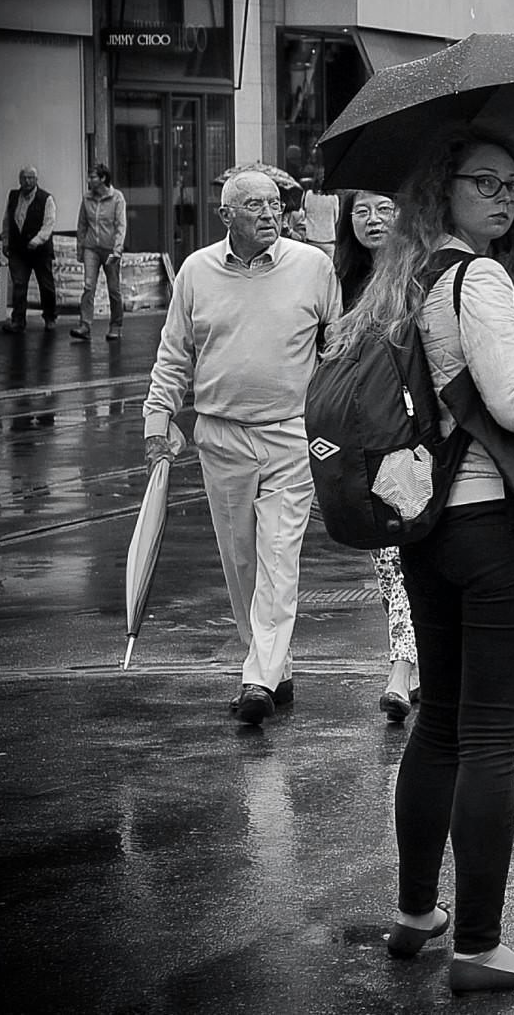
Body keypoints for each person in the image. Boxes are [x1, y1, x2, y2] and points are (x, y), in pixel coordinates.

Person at [324, 124, 514, 994]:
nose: (506, 197)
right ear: (445, 189)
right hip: (494, 532)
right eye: (486, 182)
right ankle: (478, 943)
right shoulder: (475, 279)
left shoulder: (409, 280)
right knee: (487, 736)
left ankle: (416, 913)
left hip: (429, 533)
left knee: (439, 722)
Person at [142, 168, 342, 725]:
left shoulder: (313, 267)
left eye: (276, 204)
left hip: (290, 434)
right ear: (226, 215)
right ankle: (276, 668)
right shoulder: (196, 271)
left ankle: (256, 678)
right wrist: (158, 419)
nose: (270, 213)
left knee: (279, 555)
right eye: (255, 205)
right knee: (241, 562)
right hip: (220, 437)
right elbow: (175, 352)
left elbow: (340, 344)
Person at [334, 189, 422, 721]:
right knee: (390, 559)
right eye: (361, 210)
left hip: (421, 438)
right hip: (369, 438)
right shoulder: (337, 282)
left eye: (383, 208)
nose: (371, 219)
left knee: (418, 557)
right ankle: (401, 668)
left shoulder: (421, 273)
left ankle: (410, 666)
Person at [71, 164, 127, 343]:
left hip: (110, 249)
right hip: (91, 248)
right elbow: (82, 226)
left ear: (103, 178)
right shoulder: (87, 198)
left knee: (113, 288)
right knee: (88, 286)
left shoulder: (116, 198)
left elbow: (120, 226)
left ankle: (116, 325)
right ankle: (85, 325)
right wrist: (80, 248)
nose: (89, 180)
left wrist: (118, 249)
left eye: (92, 177)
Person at [1, 166, 58, 335]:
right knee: (19, 285)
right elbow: (7, 220)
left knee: (45, 284)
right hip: (18, 249)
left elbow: (49, 223)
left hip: (40, 250)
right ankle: (17, 321)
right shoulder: (13, 197)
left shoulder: (46, 199)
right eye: (24, 178)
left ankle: (49, 317)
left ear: (36, 180)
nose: (27, 181)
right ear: (19, 180)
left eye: (30, 178)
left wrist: (37, 240)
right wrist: (5, 240)